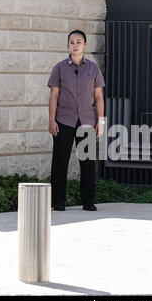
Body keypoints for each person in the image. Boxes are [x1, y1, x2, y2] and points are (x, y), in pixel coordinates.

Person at [47, 30, 105, 212]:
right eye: (72, 42)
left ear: (85, 45)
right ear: (68, 45)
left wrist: (101, 121)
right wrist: (51, 120)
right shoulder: (59, 68)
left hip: (87, 120)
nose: (75, 45)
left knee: (87, 163)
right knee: (60, 162)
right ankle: (58, 202)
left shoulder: (93, 68)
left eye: (79, 42)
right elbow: (54, 96)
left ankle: (88, 202)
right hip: (64, 120)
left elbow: (99, 97)